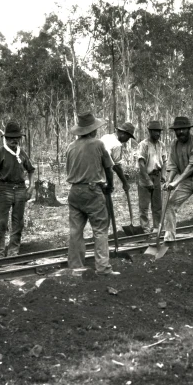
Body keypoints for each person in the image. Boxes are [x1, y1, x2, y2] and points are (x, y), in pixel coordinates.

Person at [65, 112, 117, 275]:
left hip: (74, 191)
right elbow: (109, 168)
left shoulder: (70, 147)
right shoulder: (98, 144)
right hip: (92, 191)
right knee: (100, 229)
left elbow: (69, 170)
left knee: (75, 231)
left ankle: (76, 266)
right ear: (92, 129)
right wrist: (109, 185)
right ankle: (102, 267)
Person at [0, 121, 36, 258]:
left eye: (16, 138)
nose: (13, 140)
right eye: (10, 138)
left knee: (18, 223)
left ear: (19, 139)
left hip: (21, 190)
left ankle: (13, 252)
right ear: (5, 138)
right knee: (2, 223)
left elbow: (31, 170)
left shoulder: (21, 153)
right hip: (5, 190)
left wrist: (31, 186)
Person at [164, 116, 193, 256]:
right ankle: (169, 242)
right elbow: (172, 165)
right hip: (185, 181)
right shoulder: (174, 144)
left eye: (183, 129)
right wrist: (169, 181)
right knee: (171, 205)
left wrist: (175, 182)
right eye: (177, 130)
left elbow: (192, 166)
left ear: (189, 129)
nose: (180, 132)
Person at [135, 120, 166, 231]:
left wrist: (163, 175)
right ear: (150, 131)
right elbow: (141, 163)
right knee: (144, 206)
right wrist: (147, 180)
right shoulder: (143, 145)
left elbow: (164, 161)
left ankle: (157, 227)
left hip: (156, 176)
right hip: (145, 176)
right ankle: (145, 229)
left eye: (159, 131)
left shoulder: (161, 145)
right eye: (155, 131)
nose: (158, 134)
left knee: (157, 205)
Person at [100, 122, 135, 193]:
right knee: (105, 201)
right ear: (123, 134)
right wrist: (125, 183)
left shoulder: (106, 136)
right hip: (102, 176)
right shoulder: (117, 144)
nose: (128, 140)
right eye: (128, 137)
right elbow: (116, 167)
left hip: (93, 175)